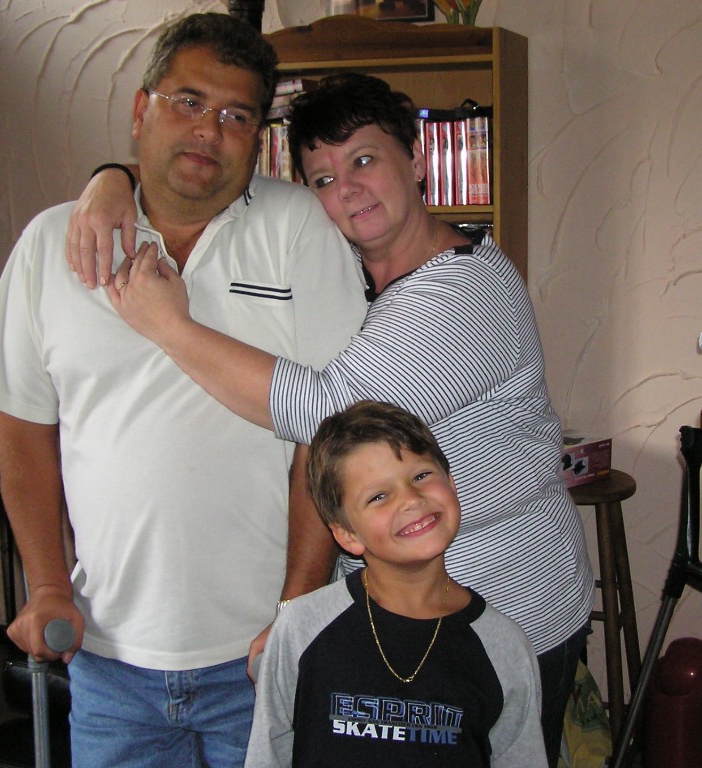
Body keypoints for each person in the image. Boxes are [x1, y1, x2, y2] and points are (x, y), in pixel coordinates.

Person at [71, 72, 593, 765]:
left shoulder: (465, 288)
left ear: (417, 160)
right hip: (395, 614)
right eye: (322, 178)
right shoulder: (352, 272)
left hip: (501, 611)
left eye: (364, 160)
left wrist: (170, 325)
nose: (346, 189)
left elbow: (330, 414)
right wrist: (114, 178)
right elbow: (210, 182)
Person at [0, 15, 366, 768]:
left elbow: (330, 432)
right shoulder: (53, 242)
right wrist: (47, 586)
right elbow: (22, 427)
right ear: (141, 110)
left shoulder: (297, 229)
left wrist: (297, 607)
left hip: (258, 650)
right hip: (109, 655)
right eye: (189, 102)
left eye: (237, 115)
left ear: (257, 136)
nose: (209, 130)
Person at [245, 400, 547, 768]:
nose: (411, 500)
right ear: (347, 534)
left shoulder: (504, 646)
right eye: (378, 496)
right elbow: (269, 752)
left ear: (451, 483)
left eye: (421, 476)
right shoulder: (302, 628)